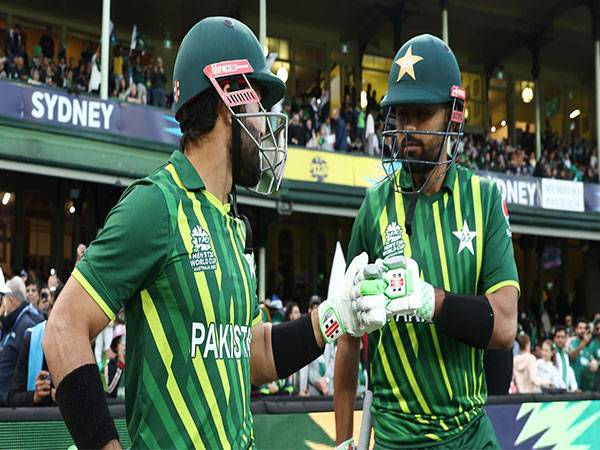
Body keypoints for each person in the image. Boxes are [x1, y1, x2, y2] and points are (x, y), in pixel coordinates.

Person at [43, 17, 389, 450]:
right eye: (260, 107)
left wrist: (337, 317)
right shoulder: (157, 204)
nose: (266, 126)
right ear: (230, 98)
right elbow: (64, 326)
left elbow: (254, 354)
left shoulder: (229, 220)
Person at [334, 34, 519, 449]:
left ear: (453, 117)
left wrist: (429, 301)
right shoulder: (374, 207)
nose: (407, 130)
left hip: (469, 432)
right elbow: (348, 339)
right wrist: (344, 440)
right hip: (397, 436)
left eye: (422, 114)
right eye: (400, 116)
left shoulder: (484, 200)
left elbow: (505, 325)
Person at [7, 284, 63, 406]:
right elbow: (13, 397)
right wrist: (35, 396)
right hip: (39, 419)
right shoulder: (33, 339)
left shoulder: (81, 342)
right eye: (53, 308)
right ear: (50, 309)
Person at [0, 270, 43, 405]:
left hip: (10, 405)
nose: (3, 303)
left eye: (3, 298)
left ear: (11, 299)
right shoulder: (11, 322)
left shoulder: (26, 325)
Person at [569, 317, 597, 391]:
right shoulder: (572, 343)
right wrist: (584, 342)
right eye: (580, 328)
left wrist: (594, 363)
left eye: (584, 328)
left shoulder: (586, 347)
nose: (583, 330)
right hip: (575, 387)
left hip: (587, 388)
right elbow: (572, 355)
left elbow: (593, 361)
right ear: (576, 330)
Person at [553, 325, 578, 391]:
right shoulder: (551, 352)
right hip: (554, 392)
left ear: (566, 338)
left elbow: (569, 372)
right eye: (558, 337)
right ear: (554, 338)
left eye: (562, 337)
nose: (560, 340)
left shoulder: (565, 354)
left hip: (565, 392)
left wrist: (574, 388)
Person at [104, 324, 125, 399]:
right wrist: (120, 367)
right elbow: (109, 390)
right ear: (116, 346)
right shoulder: (109, 365)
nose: (124, 346)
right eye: (122, 342)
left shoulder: (135, 365)